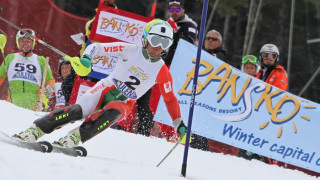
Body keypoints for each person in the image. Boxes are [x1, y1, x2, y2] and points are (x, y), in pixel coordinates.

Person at [15, 19, 188, 149]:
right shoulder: (129, 50)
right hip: (105, 88)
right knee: (77, 111)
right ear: (145, 38)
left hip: (125, 102)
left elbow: (170, 99)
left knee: (115, 111)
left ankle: (74, 138)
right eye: (155, 40)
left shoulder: (161, 70)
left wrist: (178, 124)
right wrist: (87, 60)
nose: (159, 47)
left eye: (164, 43)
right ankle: (34, 130)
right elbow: (96, 48)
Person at [148, 0, 198, 139]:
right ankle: (154, 127)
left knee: (168, 98)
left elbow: (187, 45)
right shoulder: (165, 24)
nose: (174, 13)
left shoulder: (189, 25)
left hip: (177, 68)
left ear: (183, 10)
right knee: (154, 97)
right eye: (171, 10)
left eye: (177, 10)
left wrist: (175, 31)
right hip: (161, 64)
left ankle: (170, 132)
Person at [0, 28, 55, 111]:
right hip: (13, 101)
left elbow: (51, 82)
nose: (25, 43)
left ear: (33, 43)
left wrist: (44, 98)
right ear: (18, 42)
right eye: (22, 41)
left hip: (34, 103)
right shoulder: (10, 58)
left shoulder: (41, 60)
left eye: (28, 41)